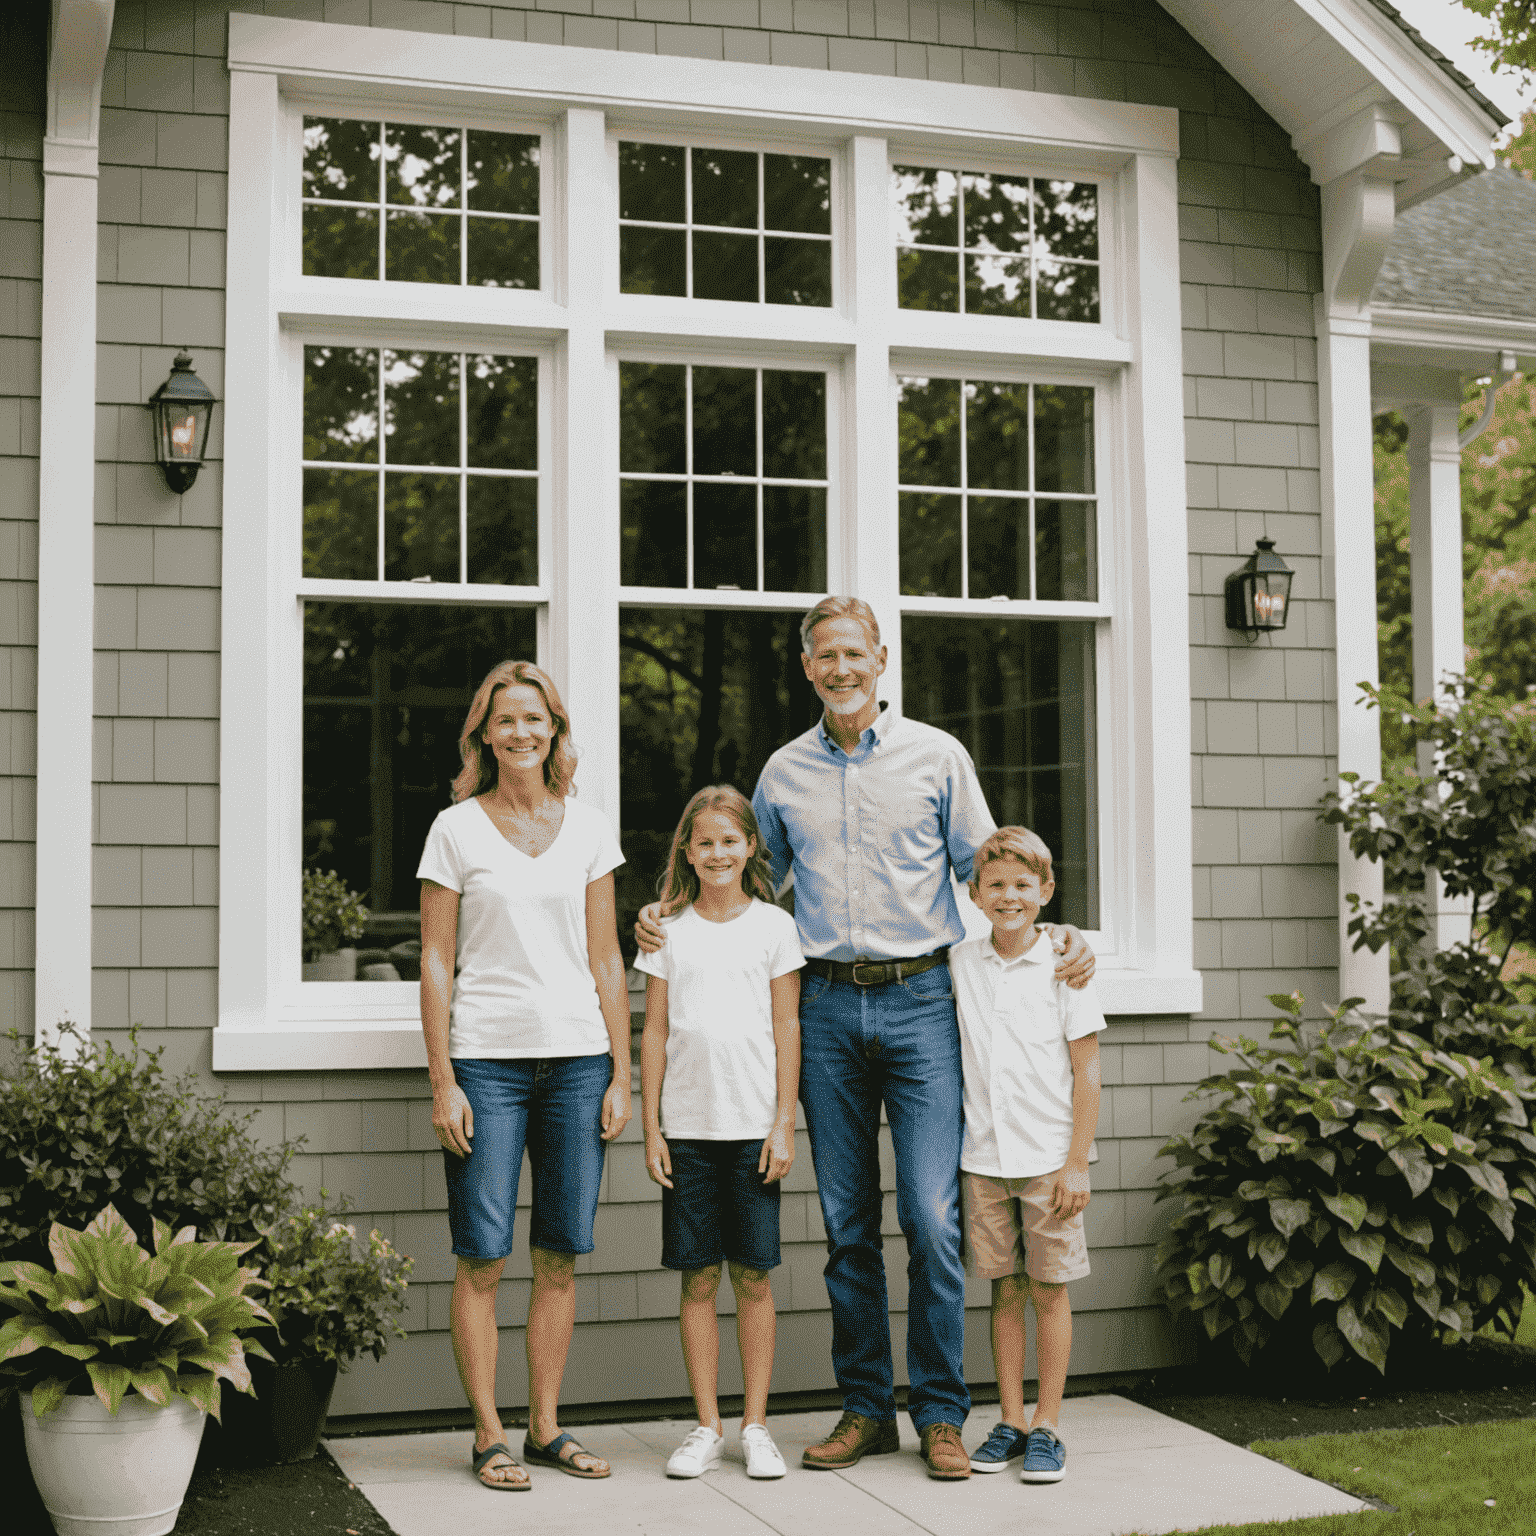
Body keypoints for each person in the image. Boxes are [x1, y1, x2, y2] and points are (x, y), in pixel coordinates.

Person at [636, 595, 1094, 1482]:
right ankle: (863, 1409)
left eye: (855, 652)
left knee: (931, 1216)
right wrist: (664, 914)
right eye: (824, 656)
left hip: (923, 1000)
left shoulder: (938, 757)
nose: (841, 669)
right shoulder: (782, 773)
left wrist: (1064, 935)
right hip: (828, 1009)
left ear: (881, 657)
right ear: (806, 667)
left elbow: (996, 871)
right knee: (848, 1226)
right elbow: (736, 873)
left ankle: (940, 1413)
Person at [418, 660, 633, 1491]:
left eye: (535, 720)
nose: (521, 734)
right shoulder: (456, 829)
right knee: (483, 1254)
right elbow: (436, 960)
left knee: (559, 1255)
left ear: (555, 731)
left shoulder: (587, 828)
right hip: (487, 1065)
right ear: (484, 733)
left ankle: (546, 1426)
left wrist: (621, 1070)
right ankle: (488, 1433)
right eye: (505, 721)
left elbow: (607, 956)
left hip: (578, 1061)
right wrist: (444, 1080)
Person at [636, 786, 803, 1481]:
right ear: (687, 850)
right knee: (698, 1278)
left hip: (752, 1129)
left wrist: (783, 1122)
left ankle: (754, 1424)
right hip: (690, 1129)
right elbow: (652, 1029)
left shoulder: (773, 927)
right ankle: (705, 1424)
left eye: (730, 841)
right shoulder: (667, 929)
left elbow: (788, 1026)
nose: (717, 854)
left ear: (750, 847)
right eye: (704, 842)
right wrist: (651, 1128)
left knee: (754, 1279)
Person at [950, 826, 1104, 1485]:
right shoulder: (961, 961)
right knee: (1003, 1291)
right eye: (995, 886)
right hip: (984, 1159)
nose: (1008, 896)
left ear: (1045, 891)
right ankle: (1009, 1420)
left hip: (1048, 1161)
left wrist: (1076, 1162)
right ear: (975, 895)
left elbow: (1087, 1071)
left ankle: (1047, 1425)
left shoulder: (1065, 966)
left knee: (1049, 1291)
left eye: (1021, 885)